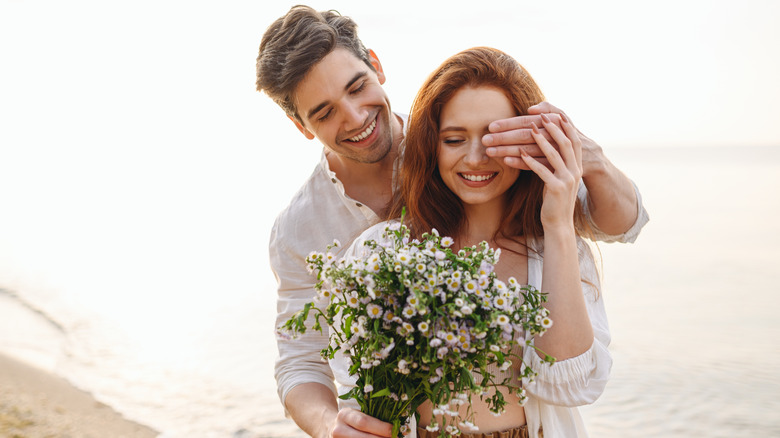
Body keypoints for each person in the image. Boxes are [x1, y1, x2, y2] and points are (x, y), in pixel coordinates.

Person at [255, 6, 649, 438]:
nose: (354, 117)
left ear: (376, 66)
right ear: (301, 125)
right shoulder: (303, 229)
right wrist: (333, 424)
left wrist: (587, 160)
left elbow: (621, 223)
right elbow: (300, 361)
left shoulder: (455, 131)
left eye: (357, 86)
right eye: (324, 112)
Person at [339, 46, 610, 438]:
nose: (476, 157)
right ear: (431, 146)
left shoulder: (556, 251)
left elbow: (571, 386)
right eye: (454, 139)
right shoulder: (382, 250)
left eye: (496, 138)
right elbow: (355, 383)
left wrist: (558, 224)